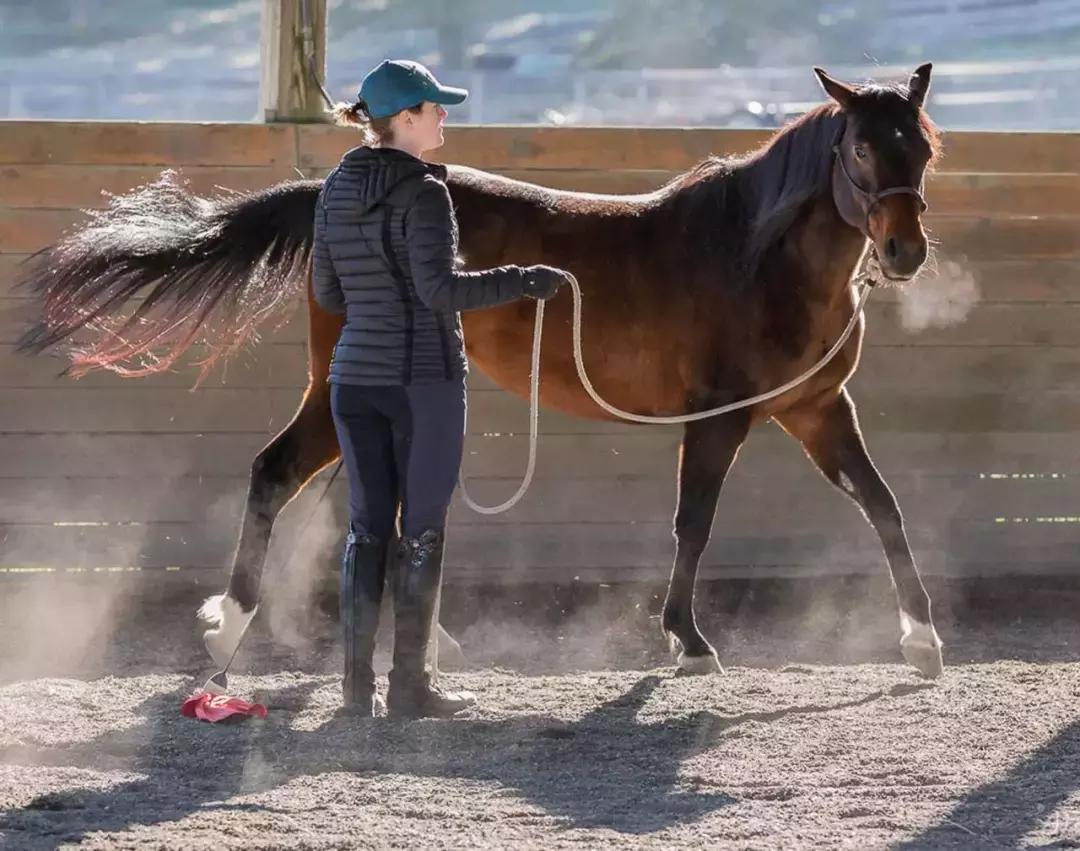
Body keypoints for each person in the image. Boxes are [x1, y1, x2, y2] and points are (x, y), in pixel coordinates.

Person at [312, 59, 570, 719]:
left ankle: (354, 694)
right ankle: (410, 688)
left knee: (366, 530)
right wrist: (522, 279)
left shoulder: (336, 184)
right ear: (405, 119)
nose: (443, 115)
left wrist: (378, 300)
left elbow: (328, 293)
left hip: (354, 380)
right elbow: (439, 291)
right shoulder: (426, 193)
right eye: (433, 107)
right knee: (421, 531)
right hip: (422, 383)